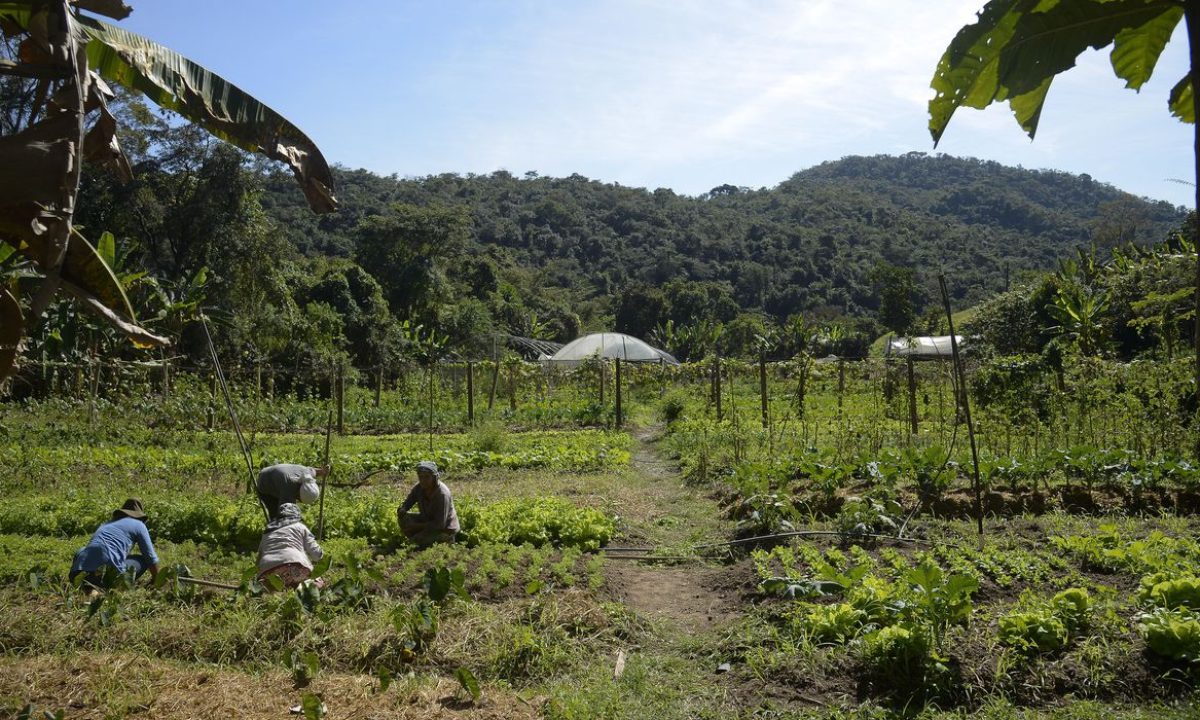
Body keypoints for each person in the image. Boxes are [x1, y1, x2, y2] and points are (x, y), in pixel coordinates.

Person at [70, 498, 159, 589]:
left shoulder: (106, 524)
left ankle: (85, 587)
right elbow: (150, 557)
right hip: (107, 577)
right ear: (139, 517)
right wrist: (157, 580)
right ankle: (113, 586)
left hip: (78, 574)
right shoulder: (139, 524)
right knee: (143, 560)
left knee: (82, 550)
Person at [256, 503, 324, 588]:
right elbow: (316, 554)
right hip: (293, 564)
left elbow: (259, 558)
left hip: (267, 570)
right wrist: (320, 559)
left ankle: (275, 591)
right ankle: (303, 590)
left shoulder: (267, 532)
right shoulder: (299, 526)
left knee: (273, 588)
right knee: (316, 581)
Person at [397, 461, 459, 547]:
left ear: (434, 478)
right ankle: (419, 537)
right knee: (404, 518)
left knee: (415, 542)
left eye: (427, 477)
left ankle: (446, 540)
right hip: (427, 521)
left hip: (444, 530)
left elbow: (440, 524)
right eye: (420, 477)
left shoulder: (442, 494)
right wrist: (403, 509)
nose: (423, 480)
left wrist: (416, 527)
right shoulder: (419, 487)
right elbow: (409, 501)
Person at [255, 463, 328, 520]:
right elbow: (285, 514)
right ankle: (277, 535)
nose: (299, 501)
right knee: (275, 514)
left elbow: (313, 471)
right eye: (300, 500)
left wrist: (322, 471)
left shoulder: (306, 476)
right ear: (298, 495)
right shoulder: (288, 489)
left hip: (277, 475)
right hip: (264, 482)